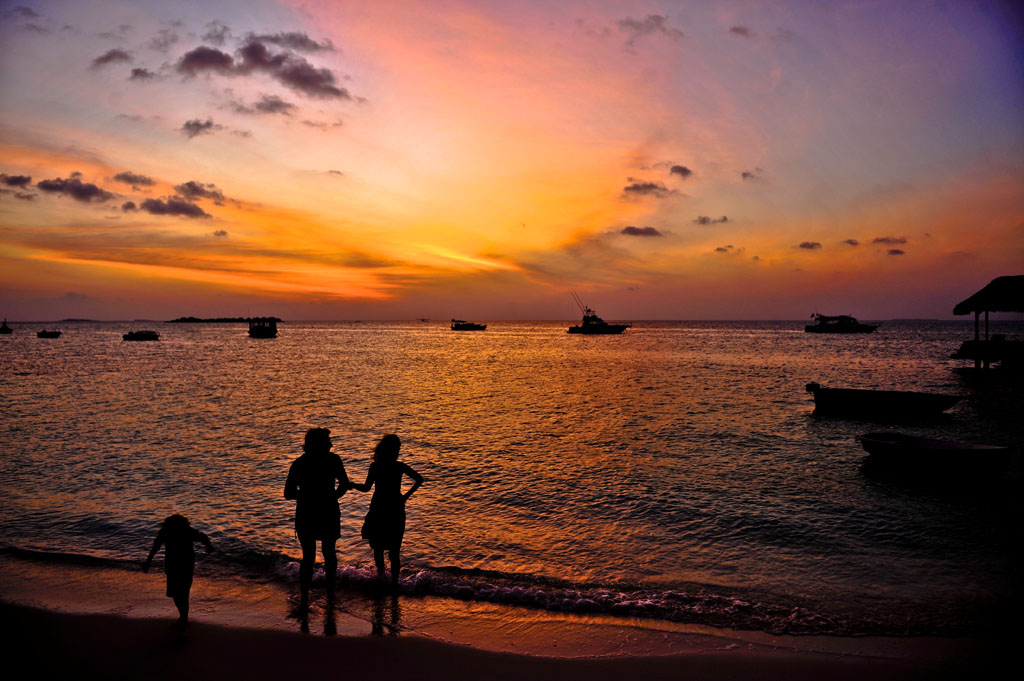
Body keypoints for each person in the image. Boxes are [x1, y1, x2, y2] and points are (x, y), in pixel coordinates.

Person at [284, 427, 349, 608]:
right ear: (320, 444)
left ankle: (305, 596)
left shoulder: (299, 463)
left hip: (307, 511)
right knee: (329, 553)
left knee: (309, 556)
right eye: (328, 441)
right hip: (327, 510)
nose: (331, 444)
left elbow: (288, 493)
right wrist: (332, 497)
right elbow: (343, 485)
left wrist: (306, 496)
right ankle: (330, 593)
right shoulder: (333, 460)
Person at [351, 434, 423, 589]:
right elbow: (419, 479)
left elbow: (366, 488)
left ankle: (382, 579)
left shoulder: (376, 466)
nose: (397, 451)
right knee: (394, 550)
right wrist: (405, 497)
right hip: (395, 508)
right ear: (392, 450)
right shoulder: (399, 466)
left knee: (379, 548)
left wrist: (351, 485)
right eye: (397, 448)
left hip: (379, 508)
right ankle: (393, 585)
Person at [142, 513, 213, 633]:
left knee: (178, 594)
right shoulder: (183, 531)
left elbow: (155, 548)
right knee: (182, 594)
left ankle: (183, 619)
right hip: (183, 566)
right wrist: (209, 546)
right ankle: (183, 618)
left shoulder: (169, 532)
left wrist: (148, 562)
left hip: (175, 566)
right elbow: (203, 537)